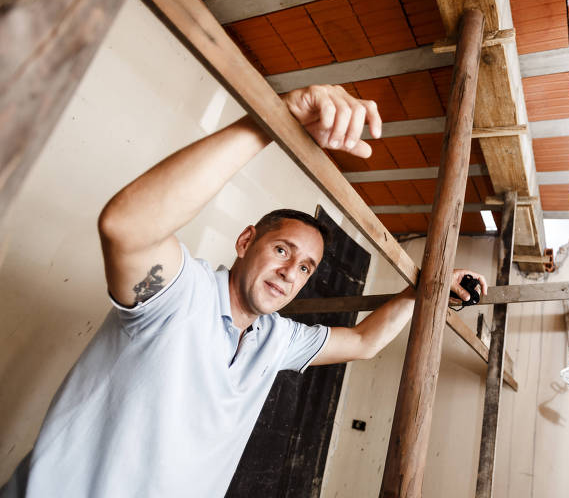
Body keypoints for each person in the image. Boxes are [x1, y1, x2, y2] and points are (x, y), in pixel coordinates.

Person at [1, 85, 487, 497]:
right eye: (281, 250)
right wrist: (270, 121)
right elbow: (126, 226)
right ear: (245, 241)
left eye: (305, 267)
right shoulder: (179, 293)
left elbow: (363, 343)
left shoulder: (277, 339)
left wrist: (429, 289)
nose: (290, 273)